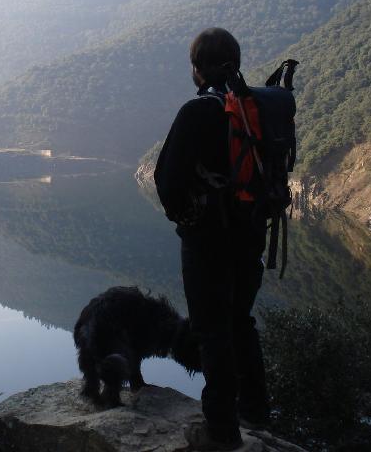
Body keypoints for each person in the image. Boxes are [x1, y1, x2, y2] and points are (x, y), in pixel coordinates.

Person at [154, 27, 269, 451]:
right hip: (252, 234)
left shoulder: (197, 111)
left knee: (211, 330)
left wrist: (187, 219)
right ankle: (256, 412)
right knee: (240, 322)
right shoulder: (256, 107)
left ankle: (221, 429)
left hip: (207, 241)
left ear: (197, 68)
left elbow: (166, 180)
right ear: (235, 62)